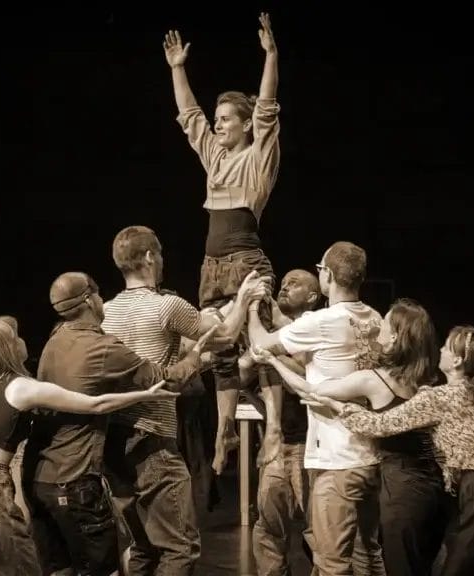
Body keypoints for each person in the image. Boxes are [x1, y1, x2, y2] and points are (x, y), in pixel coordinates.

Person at [0, 315, 179, 576]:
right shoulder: (20, 387)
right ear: (9, 348)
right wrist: (146, 394)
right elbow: (94, 404)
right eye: (16, 336)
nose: (22, 340)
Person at [22, 272, 222, 576]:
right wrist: (197, 352)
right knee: (178, 548)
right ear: (89, 299)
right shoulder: (102, 348)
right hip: (78, 475)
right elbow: (167, 383)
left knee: (135, 548)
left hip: (42, 475)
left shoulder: (54, 342)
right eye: (100, 294)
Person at [100, 225, 268, 575]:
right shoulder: (166, 305)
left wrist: (196, 359)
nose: (161, 262)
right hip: (153, 440)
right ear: (149, 257)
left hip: (114, 443)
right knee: (181, 547)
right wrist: (243, 297)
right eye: (158, 255)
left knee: (143, 547)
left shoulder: (106, 312)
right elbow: (223, 337)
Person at [314, 326, 474, 575]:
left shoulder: (439, 397)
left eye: (446, 346)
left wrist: (339, 406)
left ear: (457, 360)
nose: (440, 350)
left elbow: (378, 425)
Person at [163, 12, 282, 471]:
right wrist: (177, 68)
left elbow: (268, 108)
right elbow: (189, 117)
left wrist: (270, 56)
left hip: (246, 258)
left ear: (246, 125)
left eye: (228, 119)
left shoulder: (258, 159)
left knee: (260, 342)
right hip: (212, 265)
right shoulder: (214, 158)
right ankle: (224, 429)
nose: (218, 125)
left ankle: (272, 426)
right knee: (219, 347)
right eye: (219, 119)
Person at [256, 298, 448, 575]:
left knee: (350, 561)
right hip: (428, 481)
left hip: (399, 483)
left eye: (384, 323)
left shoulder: (375, 379)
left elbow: (312, 390)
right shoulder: (427, 378)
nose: (377, 326)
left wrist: (273, 360)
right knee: (390, 557)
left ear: (395, 336)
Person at [247, 242, 385, 576]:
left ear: (329, 277)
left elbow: (261, 343)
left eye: (321, 269)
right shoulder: (374, 318)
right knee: (368, 554)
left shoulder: (325, 320)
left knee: (330, 562)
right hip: (371, 456)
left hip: (337, 458)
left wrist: (251, 306)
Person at [244, 269, 321, 576]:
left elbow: (304, 375)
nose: (286, 287)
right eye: (284, 282)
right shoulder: (274, 333)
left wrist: (267, 354)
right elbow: (240, 374)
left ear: (313, 297)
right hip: (278, 445)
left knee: (319, 531)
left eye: (295, 283)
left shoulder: (317, 328)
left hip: (310, 446)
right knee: (268, 529)